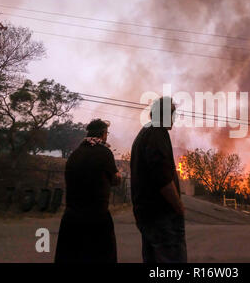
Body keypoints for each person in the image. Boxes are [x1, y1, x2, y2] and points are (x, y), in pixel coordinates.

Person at [55, 119, 122, 263]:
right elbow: (115, 179)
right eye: (106, 133)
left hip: (71, 217)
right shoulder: (104, 153)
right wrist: (118, 176)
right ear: (103, 134)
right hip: (96, 217)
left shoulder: (75, 154)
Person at [130, 96, 187, 263]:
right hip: (161, 216)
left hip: (147, 214)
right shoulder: (157, 133)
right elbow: (162, 177)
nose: (174, 120)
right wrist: (178, 206)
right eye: (173, 115)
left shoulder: (145, 133)